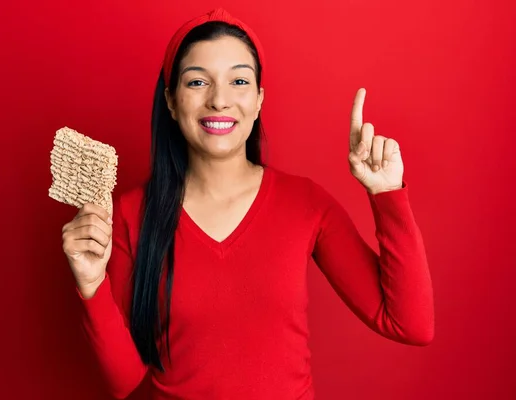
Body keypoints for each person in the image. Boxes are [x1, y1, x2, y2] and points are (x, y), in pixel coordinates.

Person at [60, 7, 435, 400]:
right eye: (197, 82)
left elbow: (410, 324)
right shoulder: (129, 214)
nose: (219, 100)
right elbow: (124, 382)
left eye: (239, 81)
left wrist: (387, 195)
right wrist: (91, 285)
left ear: (259, 100)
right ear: (171, 101)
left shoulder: (306, 204)